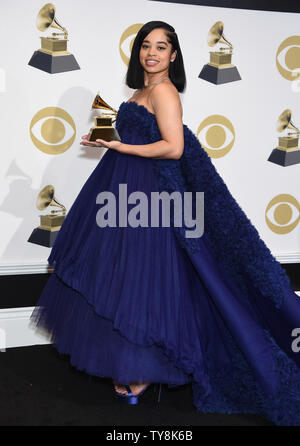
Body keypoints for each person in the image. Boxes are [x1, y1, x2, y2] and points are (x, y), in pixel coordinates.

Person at [31, 21, 300, 425]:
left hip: (149, 196)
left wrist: (119, 144)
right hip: (121, 186)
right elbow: (145, 137)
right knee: (123, 279)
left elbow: (173, 149)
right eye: (146, 45)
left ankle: (143, 371)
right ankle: (131, 361)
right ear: (138, 52)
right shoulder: (140, 91)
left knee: (146, 279)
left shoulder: (164, 90)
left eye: (161, 47)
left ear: (174, 56)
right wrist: (107, 139)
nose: (152, 53)